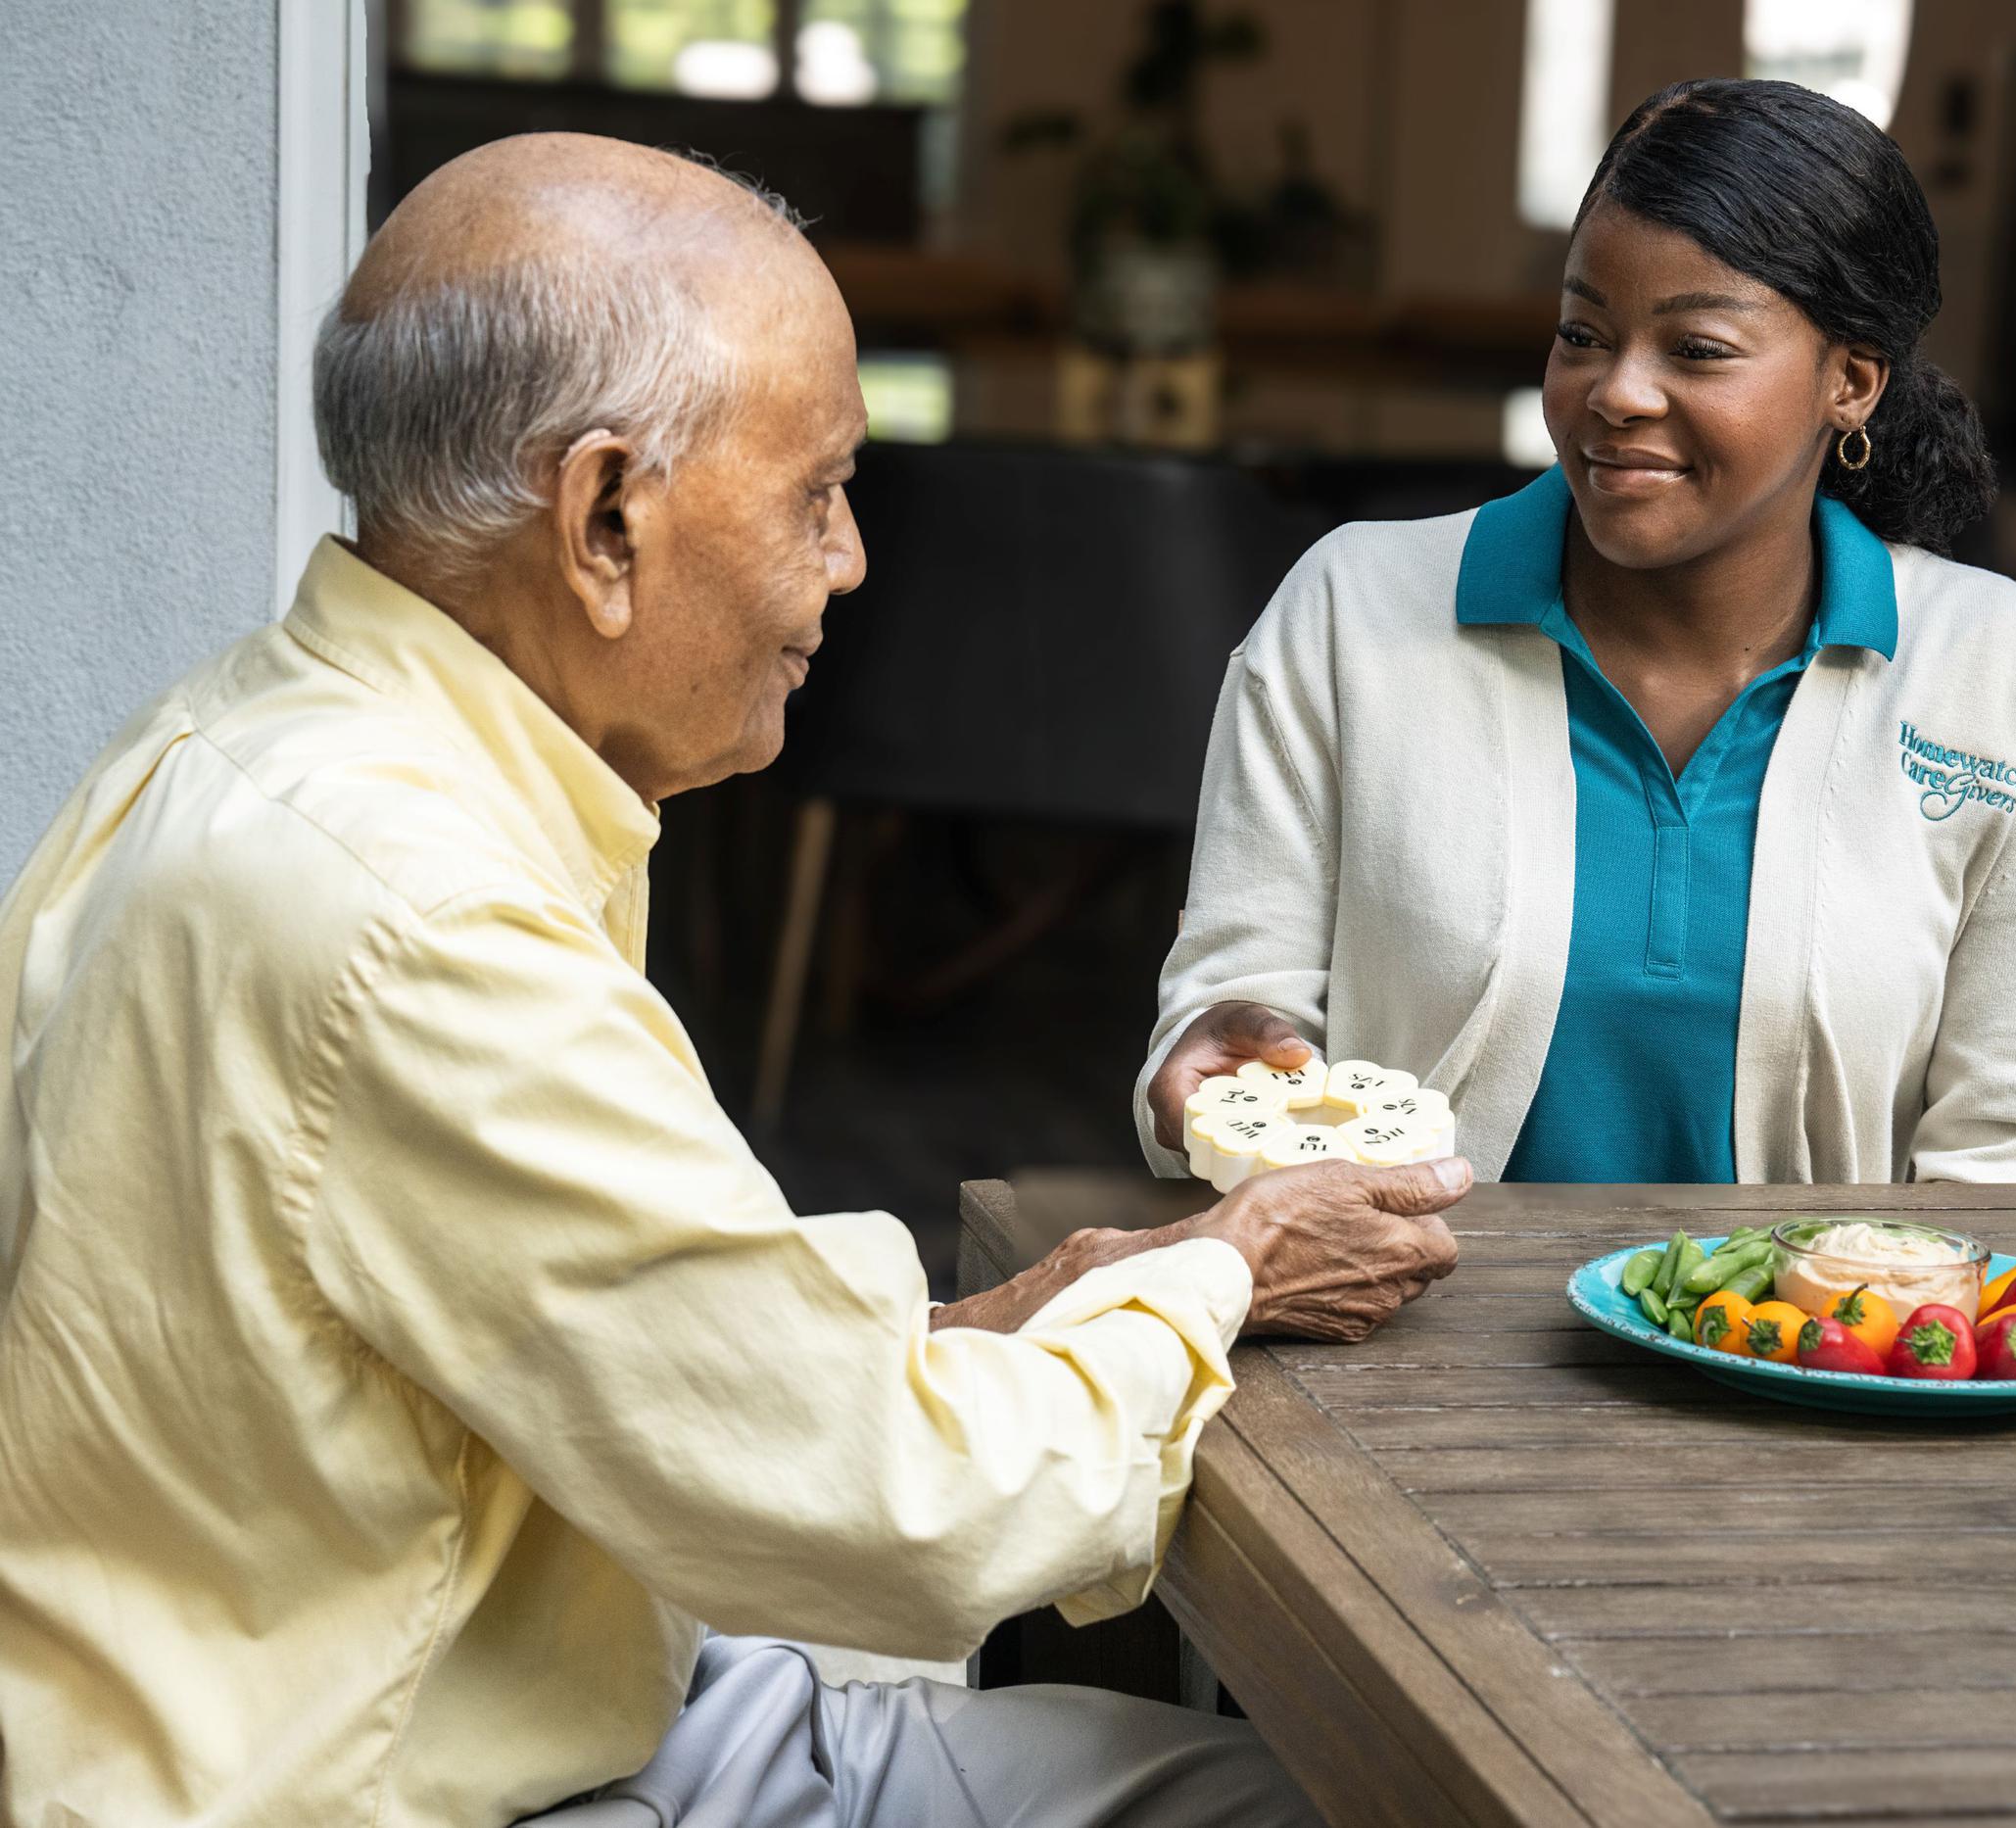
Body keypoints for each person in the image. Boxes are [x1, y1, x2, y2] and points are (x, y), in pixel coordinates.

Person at [0, 134, 1465, 1827]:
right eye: (818, 493)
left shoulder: (239, 736)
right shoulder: (427, 920)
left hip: (492, 1682)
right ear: (607, 515)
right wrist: (1225, 1270)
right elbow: (895, 1510)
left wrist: (1021, 1304)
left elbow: (606, 1337)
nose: (847, 564)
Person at [1142, 77, 2016, 1187]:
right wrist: (1219, 1064)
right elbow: (1239, 1002)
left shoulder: (1993, 672)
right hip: (1403, 1337)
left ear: (1849, 381)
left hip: (1817, 1348)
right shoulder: (1351, 610)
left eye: (1696, 350)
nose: (1616, 392)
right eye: (1581, 333)